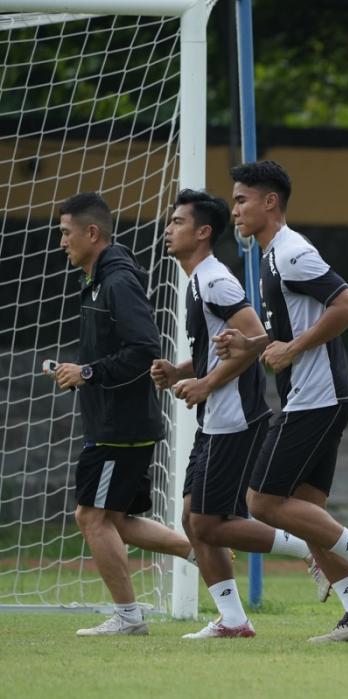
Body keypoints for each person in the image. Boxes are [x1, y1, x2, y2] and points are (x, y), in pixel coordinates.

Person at [214, 161, 348, 642]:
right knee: (308, 516)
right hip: (318, 396)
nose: (235, 210)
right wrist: (252, 344)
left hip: (315, 398)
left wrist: (294, 349)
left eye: (242, 200)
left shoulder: (292, 253)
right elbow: (289, 328)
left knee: (261, 501)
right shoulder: (271, 256)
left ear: (270, 202)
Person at [151, 188, 326, 638]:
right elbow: (222, 352)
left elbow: (253, 341)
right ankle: (232, 619)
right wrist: (181, 371)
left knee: (208, 523)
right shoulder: (198, 281)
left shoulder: (215, 281)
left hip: (235, 419)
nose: (168, 230)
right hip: (215, 419)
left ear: (203, 232)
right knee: (193, 519)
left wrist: (206, 384)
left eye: (177, 222)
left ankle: (308, 546)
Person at [50, 192, 193, 636]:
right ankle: (202, 549)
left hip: (119, 427)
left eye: (66, 233)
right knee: (117, 521)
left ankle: (129, 618)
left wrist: (88, 372)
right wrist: (81, 372)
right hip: (115, 422)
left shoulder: (117, 282)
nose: (62, 242)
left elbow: (146, 348)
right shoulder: (99, 279)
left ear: (92, 233)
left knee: (90, 517)